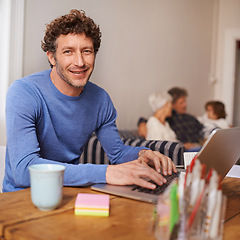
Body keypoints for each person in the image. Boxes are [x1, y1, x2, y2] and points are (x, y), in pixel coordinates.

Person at [3, 9, 176, 192]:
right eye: (68, 51)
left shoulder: (100, 99)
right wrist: (107, 173)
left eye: (87, 51)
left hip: (68, 192)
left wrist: (142, 153)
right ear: (52, 57)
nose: (80, 62)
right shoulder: (24, 92)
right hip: (23, 198)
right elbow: (23, 170)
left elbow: (117, 153)